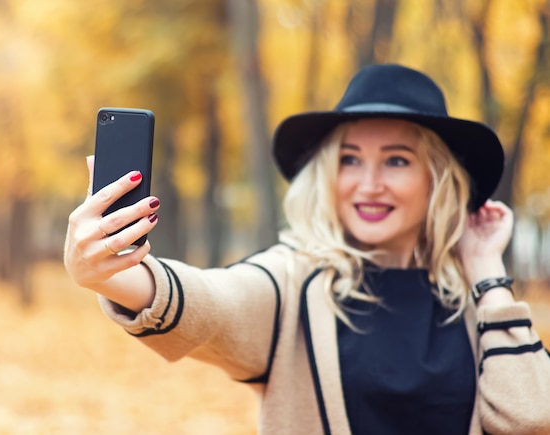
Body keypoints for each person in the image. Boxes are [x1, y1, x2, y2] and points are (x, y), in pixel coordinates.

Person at [64, 64, 550, 434]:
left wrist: (488, 275)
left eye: (397, 160)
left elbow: (532, 418)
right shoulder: (294, 282)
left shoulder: (474, 299)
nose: (369, 184)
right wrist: (108, 272)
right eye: (349, 160)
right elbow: (213, 301)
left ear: (437, 180)